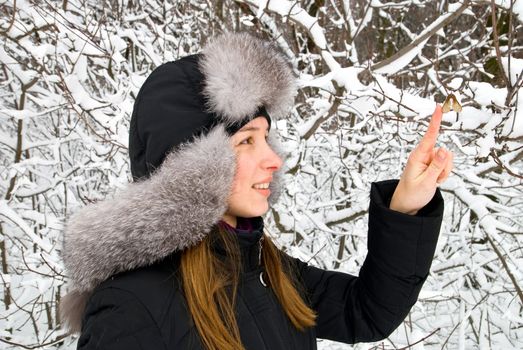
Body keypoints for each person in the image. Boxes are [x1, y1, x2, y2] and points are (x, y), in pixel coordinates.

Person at [60, 32, 453, 349]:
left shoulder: (266, 269)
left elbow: (365, 312)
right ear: (191, 168)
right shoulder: (130, 308)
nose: (274, 160)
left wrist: (406, 208)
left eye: (267, 138)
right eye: (247, 141)